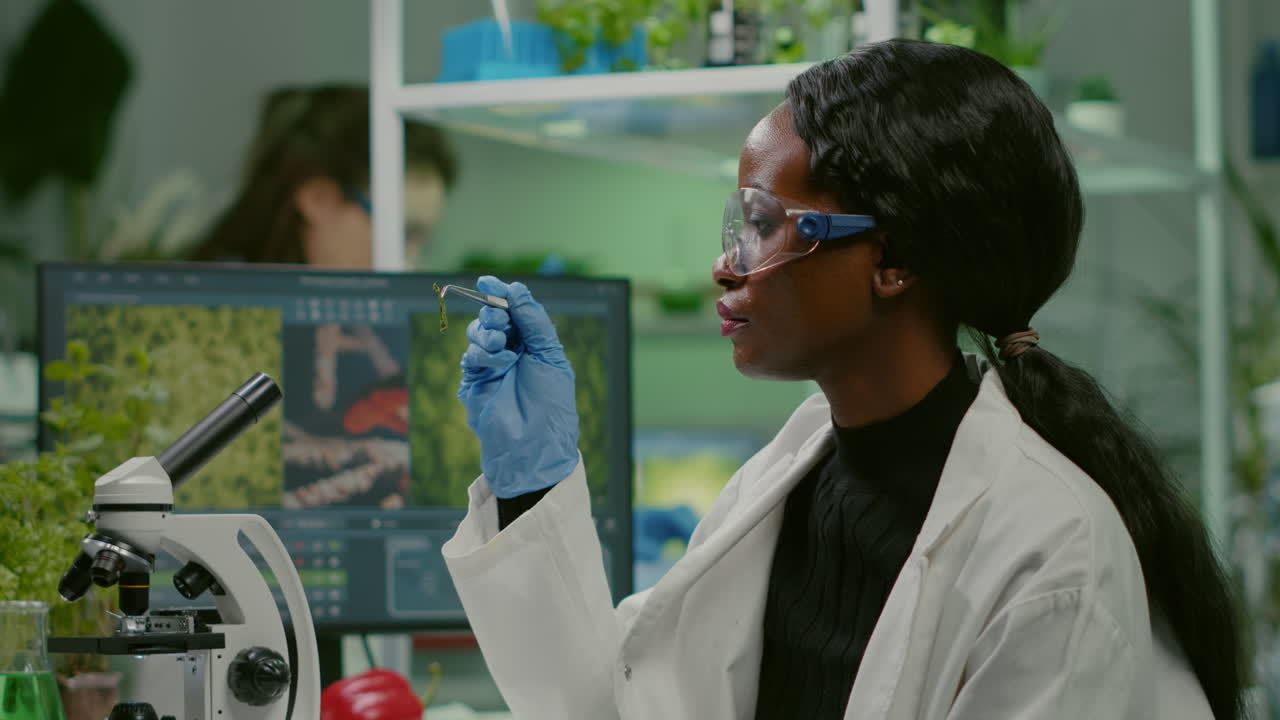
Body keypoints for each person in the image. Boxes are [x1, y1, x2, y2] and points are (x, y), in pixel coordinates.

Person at [440, 40, 1243, 720]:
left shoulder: (1049, 551)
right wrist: (531, 483)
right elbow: (619, 704)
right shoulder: (781, 484)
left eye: (762, 224)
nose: (726, 264)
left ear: (894, 261)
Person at [190, 83, 458, 268]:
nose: (410, 263)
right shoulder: (216, 309)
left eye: (422, 242)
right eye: (401, 233)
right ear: (319, 198)